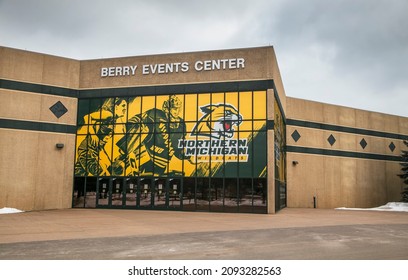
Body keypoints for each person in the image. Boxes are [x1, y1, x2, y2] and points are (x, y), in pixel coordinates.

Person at [116, 95, 187, 176]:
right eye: (174, 108)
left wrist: (185, 154)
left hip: (160, 164)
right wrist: (135, 129)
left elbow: (179, 150)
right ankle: (122, 157)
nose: (177, 111)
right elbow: (133, 121)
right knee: (143, 128)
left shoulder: (182, 125)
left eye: (179, 108)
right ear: (167, 108)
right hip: (144, 152)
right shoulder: (154, 114)